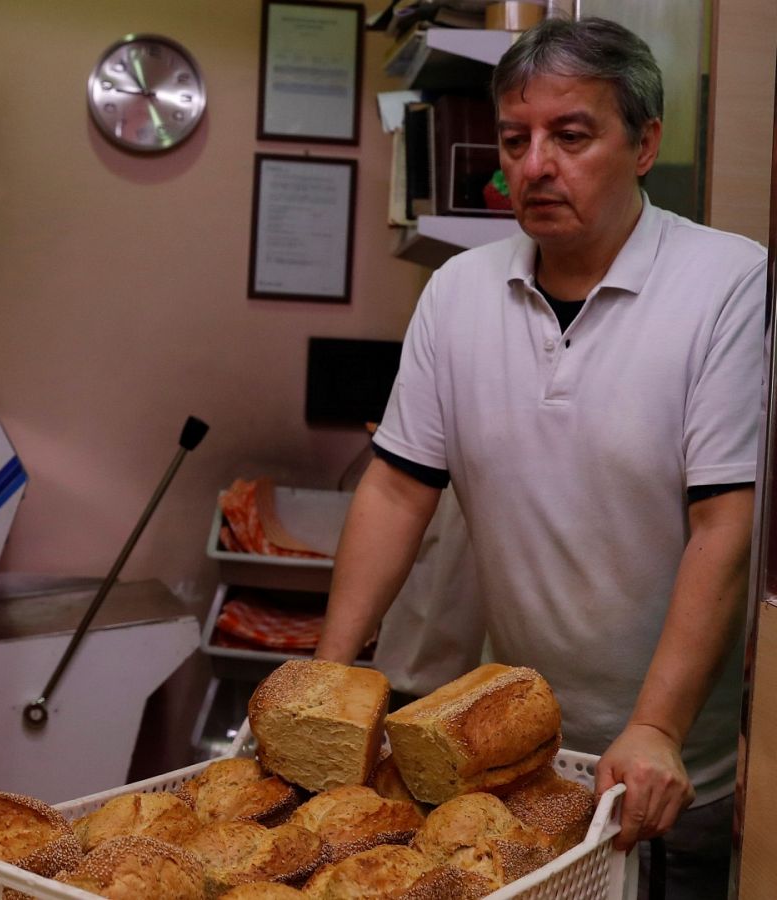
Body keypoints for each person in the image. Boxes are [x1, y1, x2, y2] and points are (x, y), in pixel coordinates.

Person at [316, 16, 764, 898]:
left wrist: (658, 728)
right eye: (515, 140)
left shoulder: (727, 281)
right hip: (508, 755)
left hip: (669, 771)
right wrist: (328, 683)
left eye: (571, 135)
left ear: (645, 144)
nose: (535, 165)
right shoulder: (458, 291)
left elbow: (726, 520)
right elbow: (399, 490)